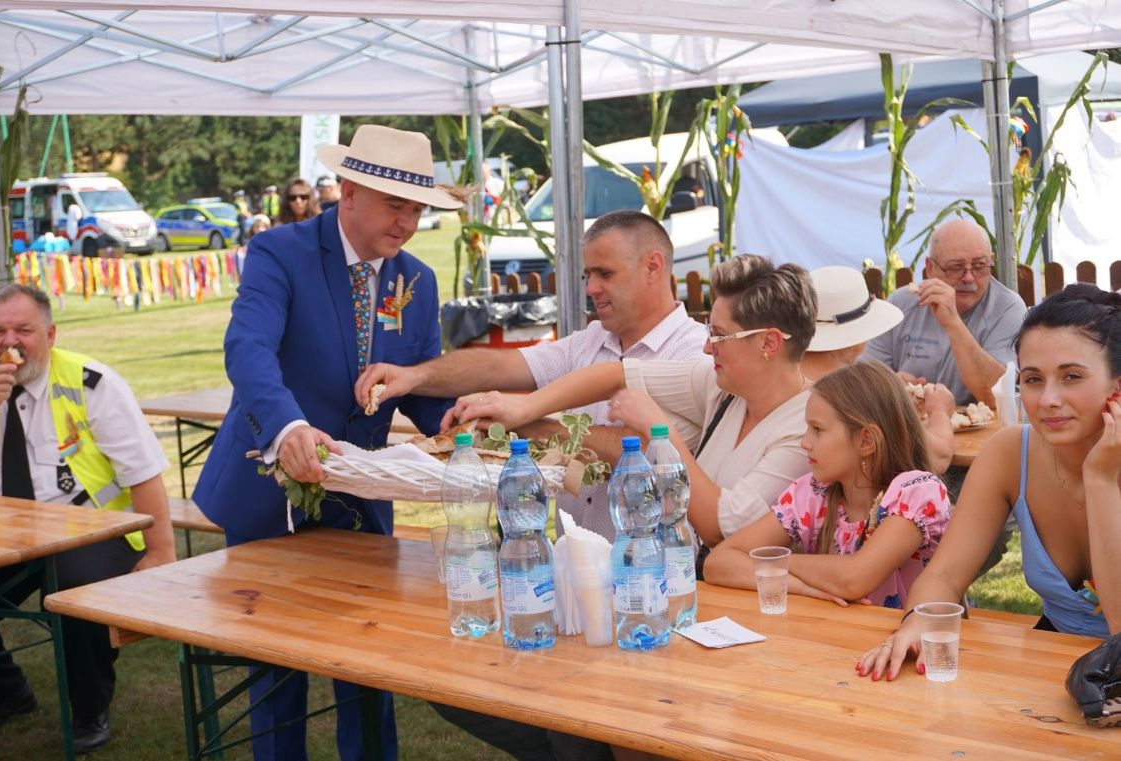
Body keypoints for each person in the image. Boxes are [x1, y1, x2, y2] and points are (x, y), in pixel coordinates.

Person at [193, 124, 463, 760]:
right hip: (267, 492)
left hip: (362, 501)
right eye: (395, 205)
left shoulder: (417, 281)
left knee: (368, 665)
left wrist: (459, 422)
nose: (407, 223)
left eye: (418, 209)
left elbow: (418, 384)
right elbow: (248, 348)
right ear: (348, 191)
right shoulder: (278, 252)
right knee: (274, 670)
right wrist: (287, 428)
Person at [357, 210, 710, 542]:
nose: (591, 288)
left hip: (657, 574)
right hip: (575, 568)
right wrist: (413, 377)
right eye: (589, 276)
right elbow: (497, 367)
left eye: (605, 273)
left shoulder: (696, 353)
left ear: (653, 267)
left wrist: (524, 423)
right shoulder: (588, 342)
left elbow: (644, 450)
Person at [448, 254, 817, 550]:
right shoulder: (723, 386)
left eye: (719, 336)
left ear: (769, 343)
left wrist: (661, 431)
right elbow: (618, 374)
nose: (707, 347)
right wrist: (523, 409)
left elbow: (722, 527)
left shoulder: (805, 429)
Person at [858, 284, 1121, 683]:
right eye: (1033, 379)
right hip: (1052, 664)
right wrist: (916, 622)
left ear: (1116, 386)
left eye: (1071, 376)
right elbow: (945, 575)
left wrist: (1101, 481)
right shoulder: (1010, 453)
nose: (1048, 398)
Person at [0, 283, 175, 752]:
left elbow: (144, 471)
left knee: (72, 589)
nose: (10, 343)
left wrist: (161, 553)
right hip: (1, 536)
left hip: (87, 530)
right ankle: (6, 692)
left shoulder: (92, 382)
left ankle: (89, 709)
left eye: (23, 330)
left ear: (50, 333)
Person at [703, 360, 951, 610]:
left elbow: (854, 578)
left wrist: (775, 563)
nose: (805, 443)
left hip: (907, 644)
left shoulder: (918, 491)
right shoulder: (812, 493)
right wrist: (801, 587)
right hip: (833, 640)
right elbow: (719, 563)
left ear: (866, 441)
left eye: (817, 430)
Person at [803, 265, 955, 474]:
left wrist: (891, 389)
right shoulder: (855, 390)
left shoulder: (782, 375)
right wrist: (939, 411)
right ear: (855, 341)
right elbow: (937, 457)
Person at [865, 218, 1026, 406]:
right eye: (956, 267)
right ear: (930, 268)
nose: (968, 277)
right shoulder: (900, 304)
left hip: (983, 432)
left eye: (980, 265)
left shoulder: (1008, 308)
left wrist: (953, 323)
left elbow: (997, 395)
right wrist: (892, 386)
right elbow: (864, 383)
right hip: (912, 424)